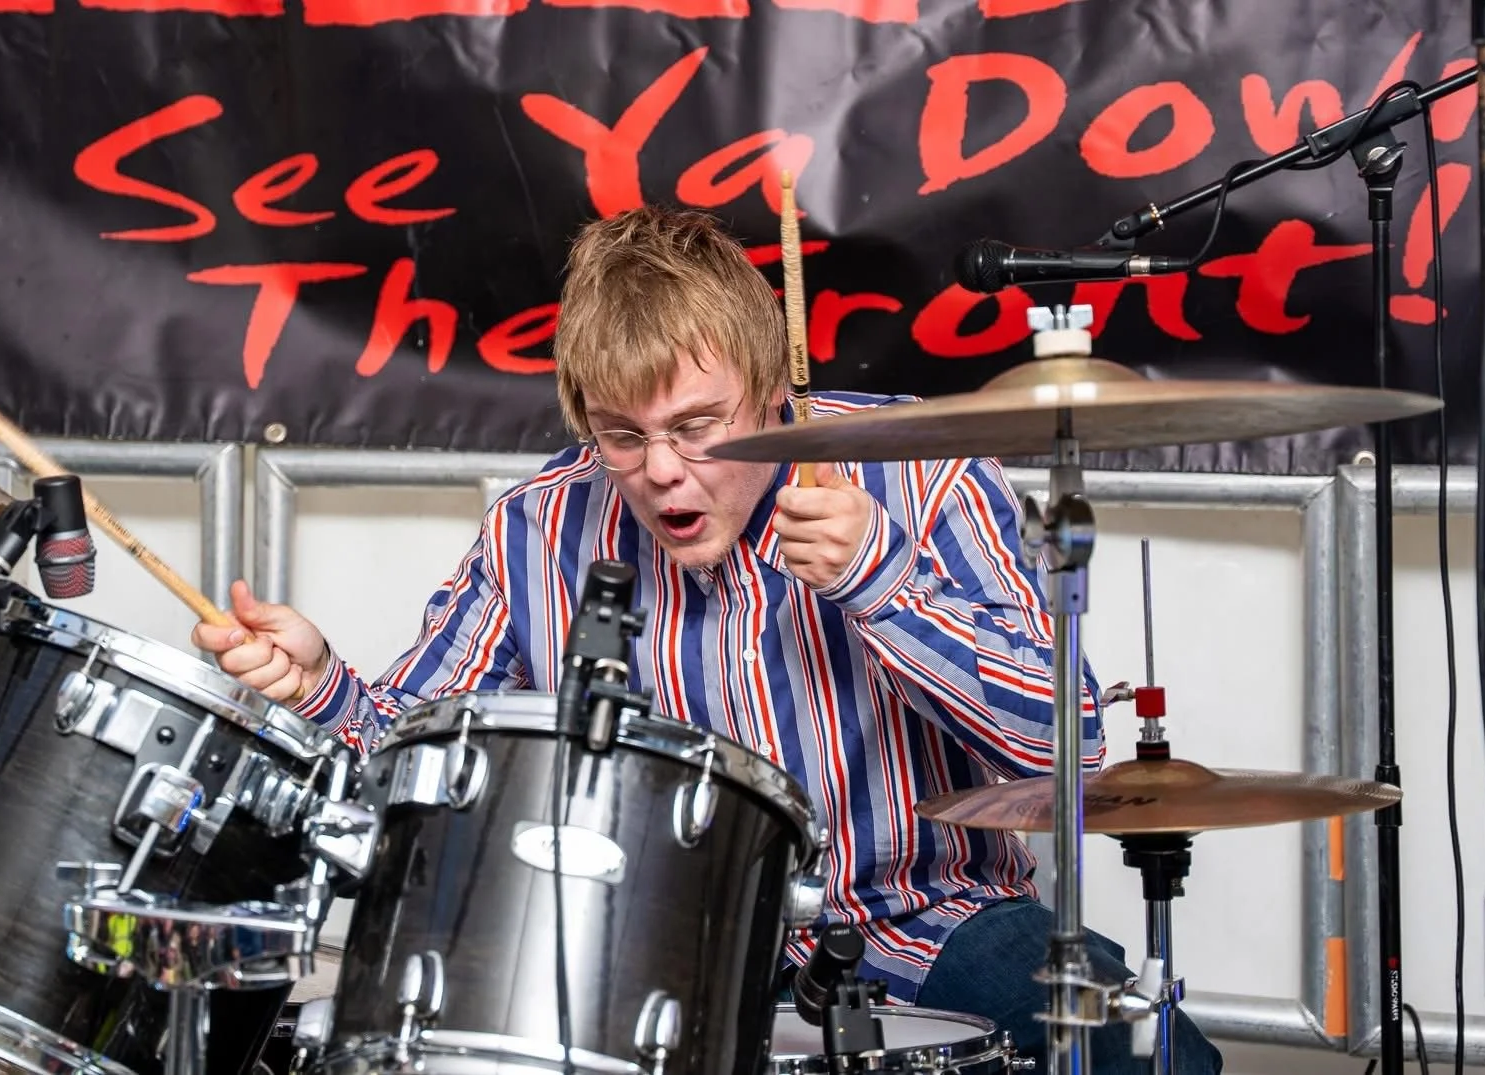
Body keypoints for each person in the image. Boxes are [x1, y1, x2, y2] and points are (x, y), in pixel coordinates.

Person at [191, 205, 1223, 1073]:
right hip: (642, 949)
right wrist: (321, 683)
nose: (662, 473)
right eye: (623, 435)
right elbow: (426, 767)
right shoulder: (538, 526)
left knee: (1153, 1057)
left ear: (772, 384)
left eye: (698, 426)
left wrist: (883, 578)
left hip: (924, 917)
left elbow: (1073, 748)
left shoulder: (922, 472)